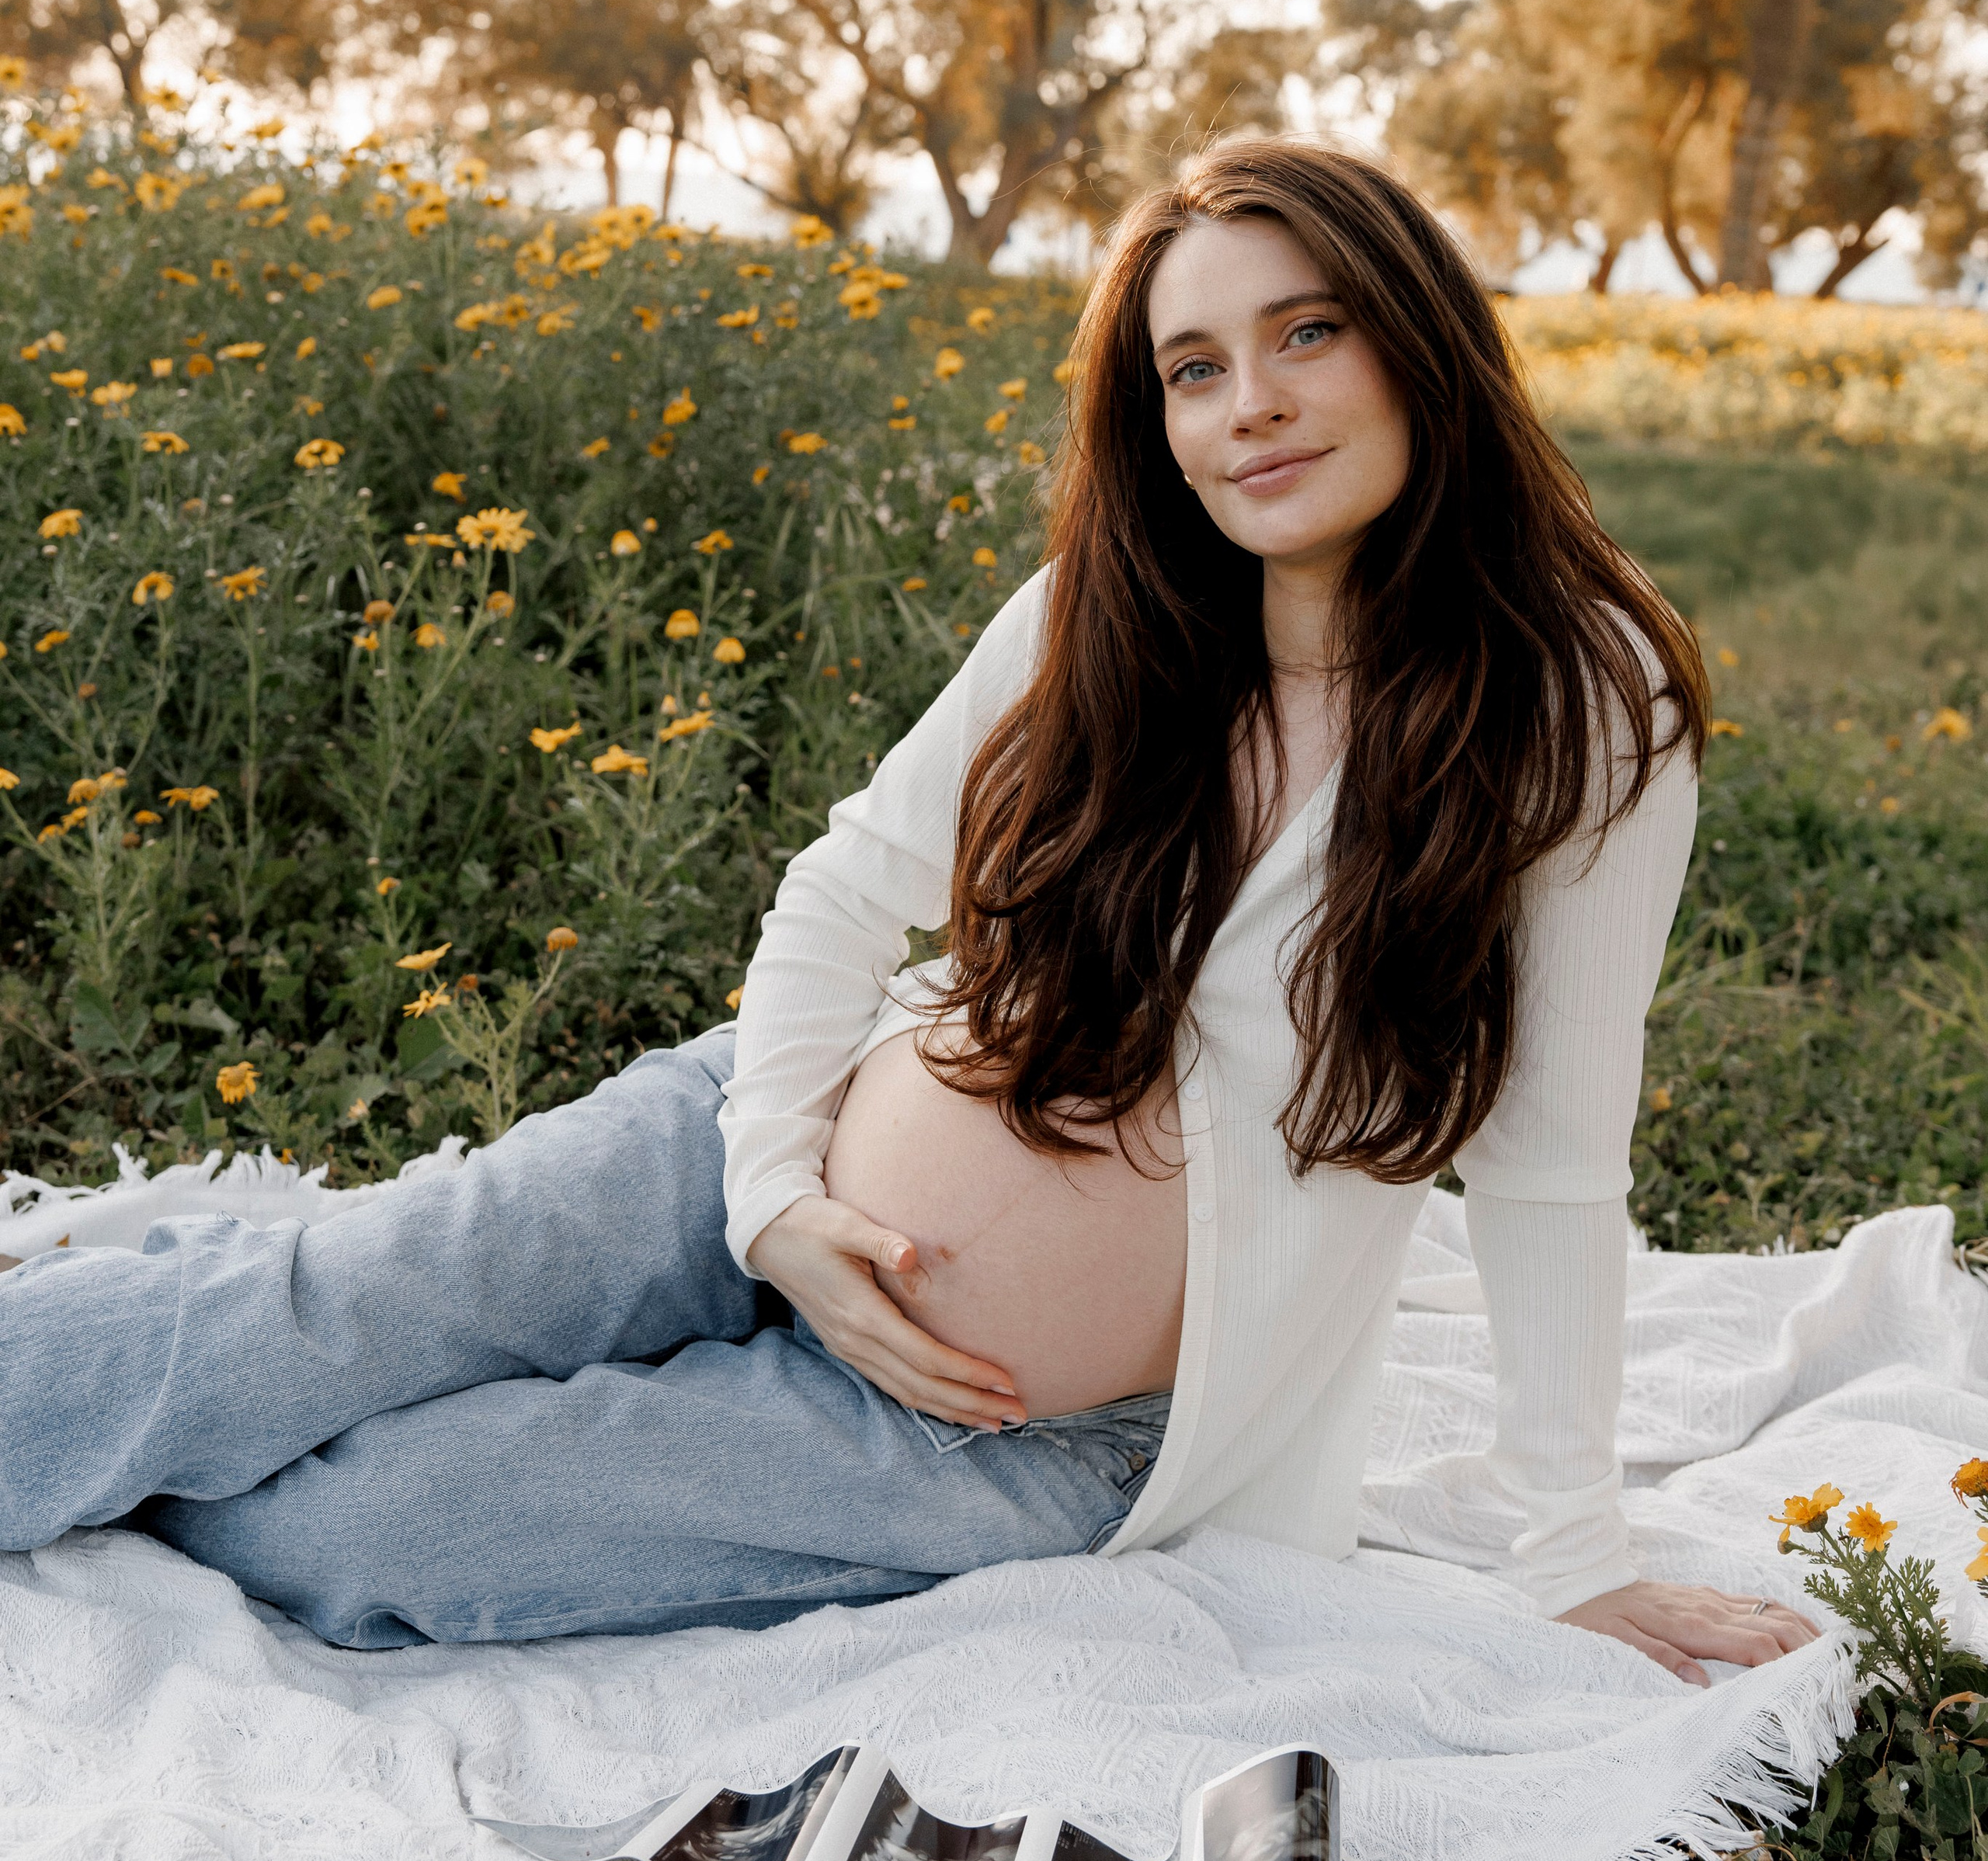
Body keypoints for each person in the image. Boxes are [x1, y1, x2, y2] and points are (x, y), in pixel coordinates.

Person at [0, 141, 1818, 1679]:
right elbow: (842, 885)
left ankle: (152, 1403)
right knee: (328, 1305)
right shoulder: (1107, 611)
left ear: (1418, 344)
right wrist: (777, 1197)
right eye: (1190, 368)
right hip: (762, 1151)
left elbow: (1556, 1160)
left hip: (1006, 1423)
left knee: (389, 1515)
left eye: (1304, 334)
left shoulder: (1578, 703)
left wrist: (1570, 1545)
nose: (1247, 403)